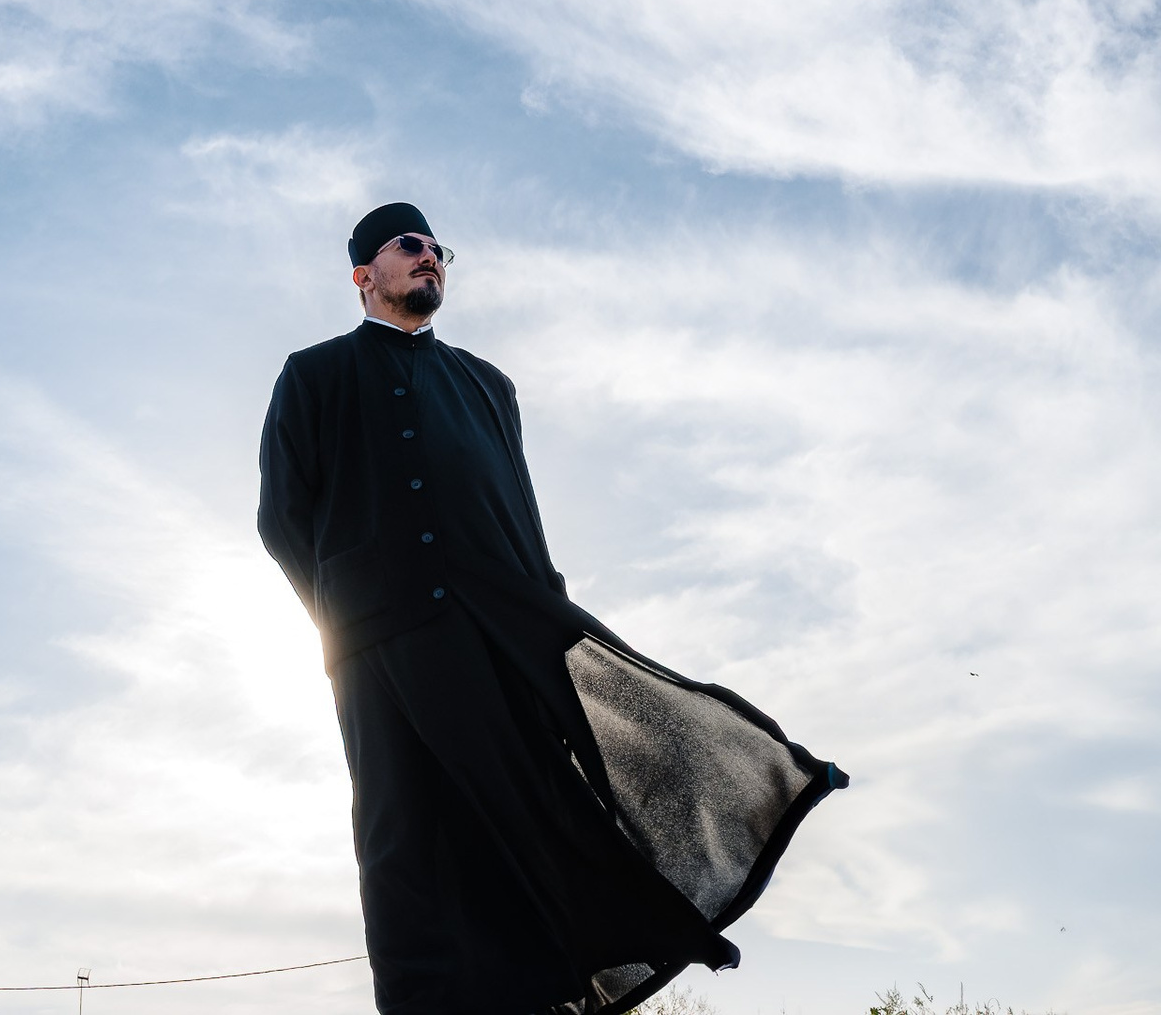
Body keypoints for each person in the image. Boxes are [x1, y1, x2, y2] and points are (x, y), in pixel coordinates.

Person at [258, 202, 846, 1015]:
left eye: (439, 248)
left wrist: (546, 627)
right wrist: (346, 619)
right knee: (401, 835)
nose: (431, 256)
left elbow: (523, 516)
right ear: (364, 274)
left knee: (529, 807)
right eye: (410, 245)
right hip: (373, 643)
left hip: (497, 625)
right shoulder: (313, 374)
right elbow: (282, 519)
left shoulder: (488, 386)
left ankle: (632, 940)